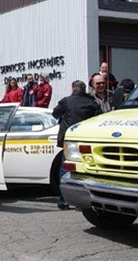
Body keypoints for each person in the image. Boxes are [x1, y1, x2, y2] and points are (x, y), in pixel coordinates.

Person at [52, 80, 102, 210]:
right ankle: (82, 201)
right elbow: (99, 118)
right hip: (86, 140)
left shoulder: (66, 101)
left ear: (73, 88)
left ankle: (64, 200)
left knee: (65, 168)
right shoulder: (91, 103)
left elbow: (55, 113)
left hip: (69, 139)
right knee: (84, 169)